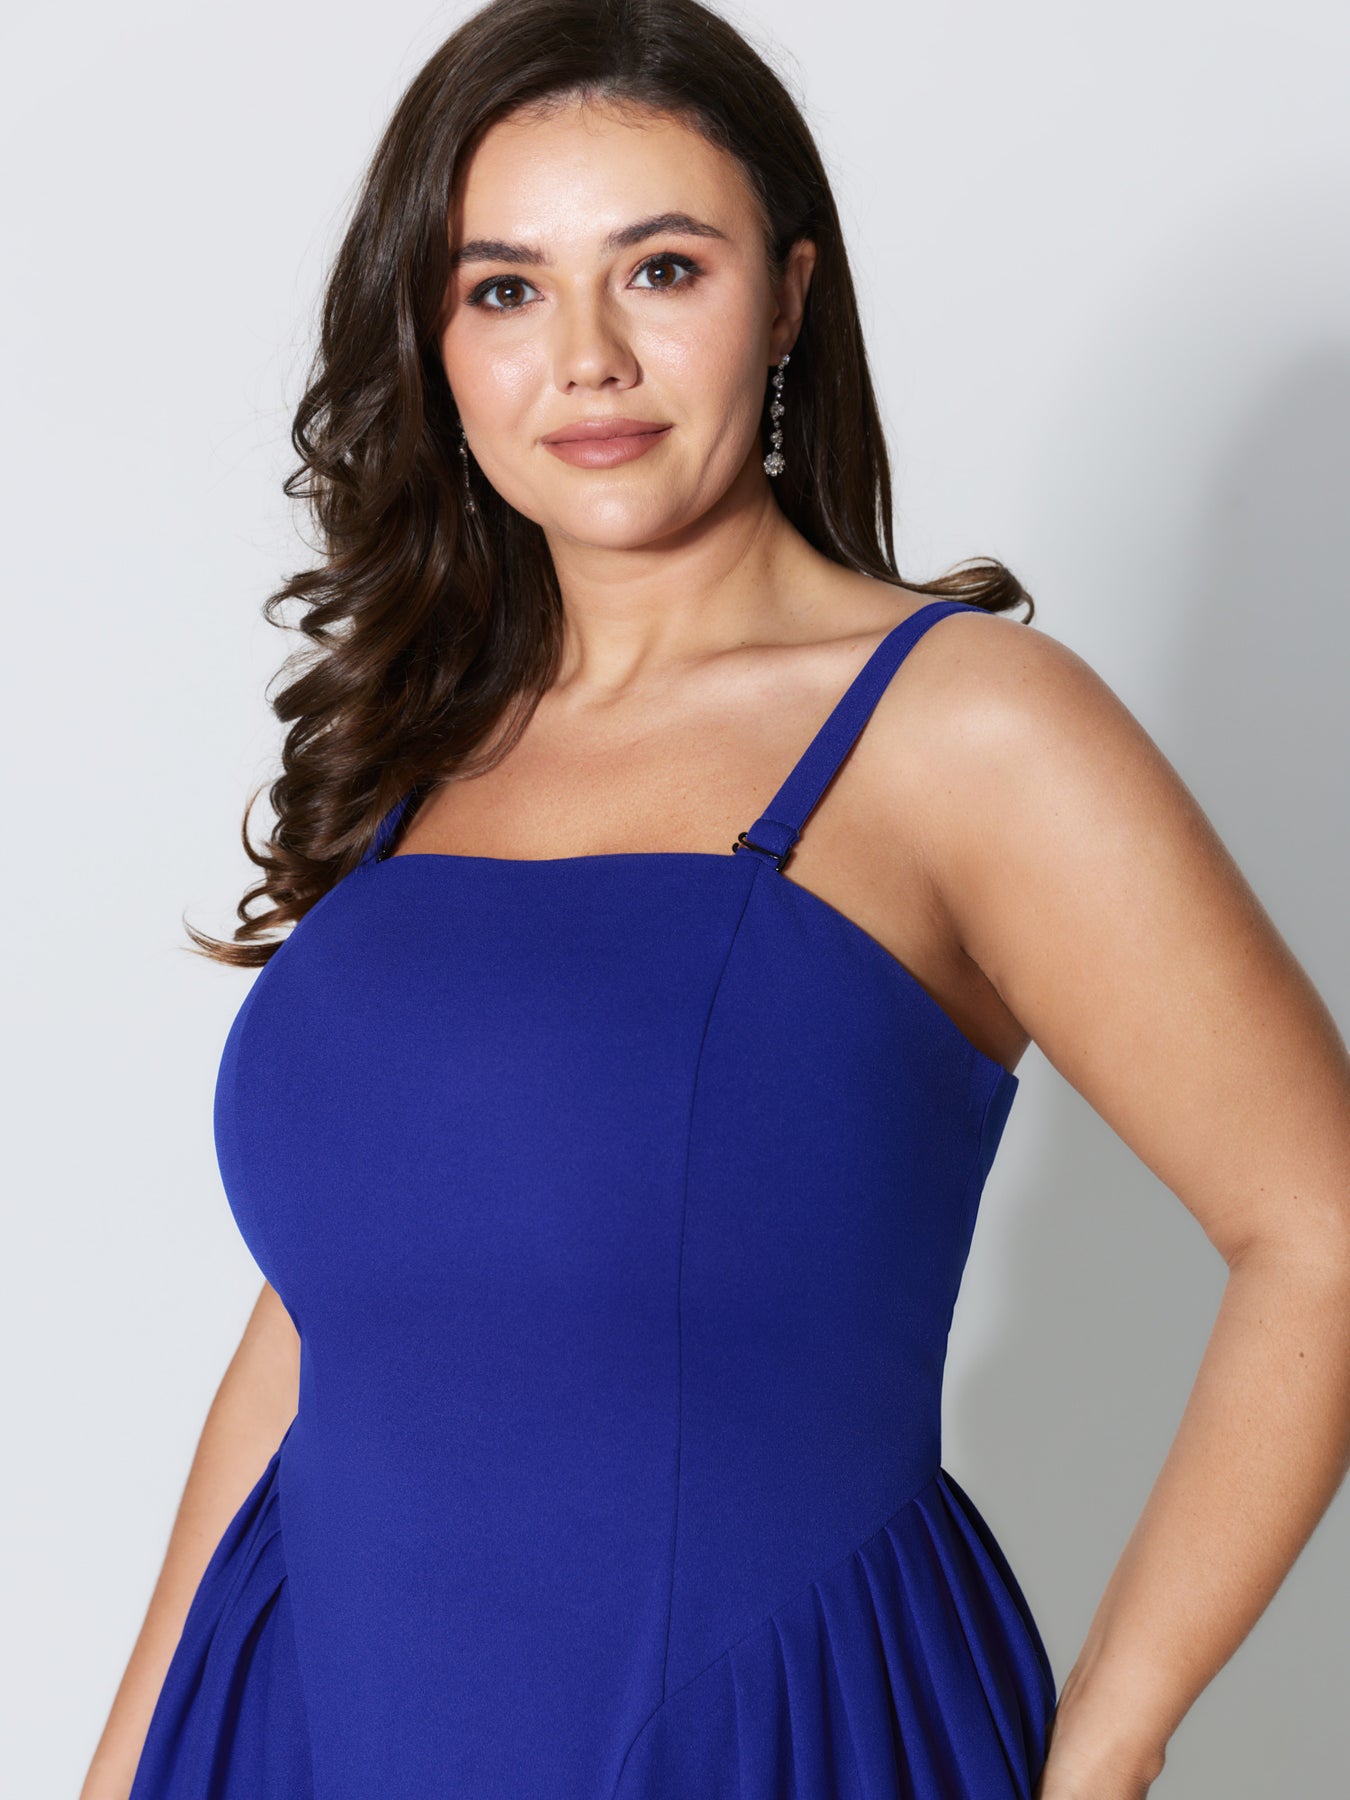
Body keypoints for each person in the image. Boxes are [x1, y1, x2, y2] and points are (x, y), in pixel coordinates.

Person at [83, 1, 1350, 1796]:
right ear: (433, 342)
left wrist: (1106, 1748)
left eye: (660, 270)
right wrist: (128, 1760)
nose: (585, 358)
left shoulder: (962, 729)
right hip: (308, 1730)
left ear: (788, 299)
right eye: (503, 290)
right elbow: (325, 1312)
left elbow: (1320, 1224)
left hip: (756, 1738)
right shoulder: (427, 739)